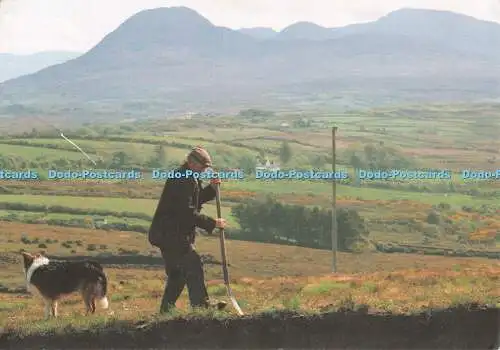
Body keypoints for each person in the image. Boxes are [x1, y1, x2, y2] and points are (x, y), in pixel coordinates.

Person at [148, 146, 228, 313]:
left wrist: (211, 190)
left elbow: (194, 201)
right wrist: (213, 223)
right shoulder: (183, 179)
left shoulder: (188, 176)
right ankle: (201, 307)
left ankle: (165, 311)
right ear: (191, 162)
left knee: (178, 275)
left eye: (207, 168)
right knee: (193, 264)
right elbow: (187, 212)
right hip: (171, 234)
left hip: (169, 234)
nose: (204, 171)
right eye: (202, 167)